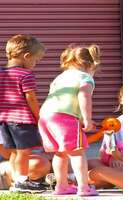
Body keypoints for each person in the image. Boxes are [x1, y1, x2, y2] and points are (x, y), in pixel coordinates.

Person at [38, 44, 100, 196]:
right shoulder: (85, 78)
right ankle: (84, 187)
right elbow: (83, 96)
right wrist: (87, 119)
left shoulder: (60, 77)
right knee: (77, 152)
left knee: (60, 153)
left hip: (45, 116)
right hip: (63, 117)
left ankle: (62, 186)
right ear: (91, 65)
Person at [0, 34, 47, 192]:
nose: (35, 64)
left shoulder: (1, 73)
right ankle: (22, 181)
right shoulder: (26, 75)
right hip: (22, 120)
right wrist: (39, 116)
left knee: (14, 152)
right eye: (35, 60)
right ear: (26, 56)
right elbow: (31, 99)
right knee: (24, 152)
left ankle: (15, 180)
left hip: (4, 121)